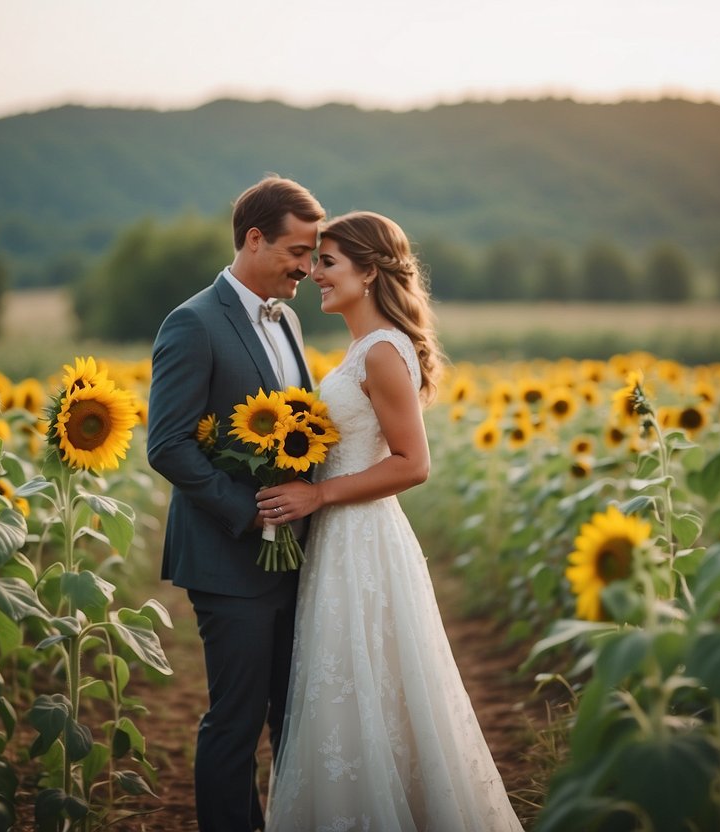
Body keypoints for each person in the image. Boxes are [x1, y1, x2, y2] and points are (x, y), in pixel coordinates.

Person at [255, 212, 525, 831]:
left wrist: (318, 497)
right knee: (353, 688)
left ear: (369, 272)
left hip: (362, 537)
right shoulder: (363, 348)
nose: (313, 272)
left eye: (328, 262)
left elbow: (413, 464)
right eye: (314, 260)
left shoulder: (380, 352)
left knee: (367, 680)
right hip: (340, 536)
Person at [146, 175, 325, 832]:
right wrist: (249, 510)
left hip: (294, 558)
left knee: (292, 717)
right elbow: (166, 445)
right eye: (298, 252)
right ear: (254, 239)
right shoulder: (192, 323)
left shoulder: (290, 320)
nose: (308, 268)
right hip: (227, 558)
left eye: (312, 255)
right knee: (236, 723)